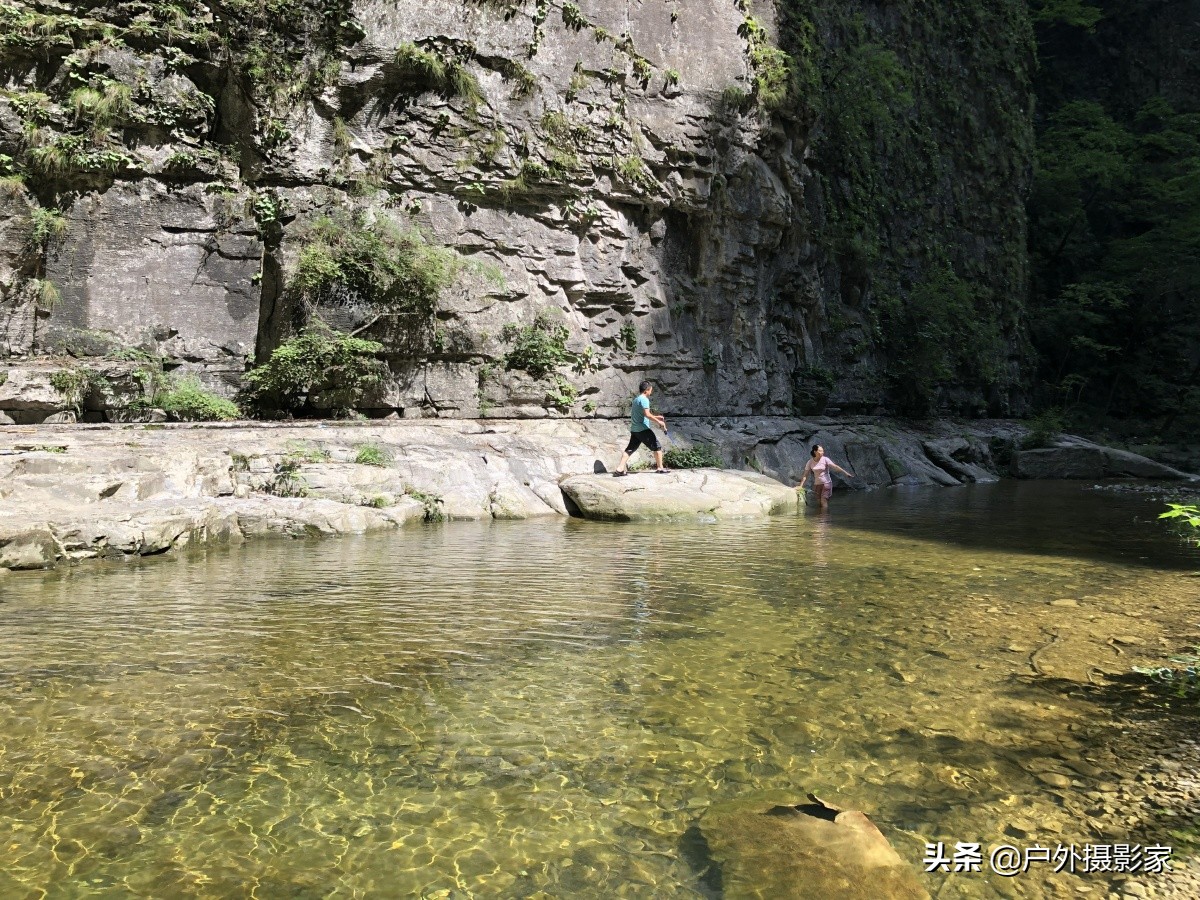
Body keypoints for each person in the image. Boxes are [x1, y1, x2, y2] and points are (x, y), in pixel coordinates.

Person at [613, 381, 668, 475]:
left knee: (630, 449)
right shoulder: (644, 399)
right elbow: (647, 415)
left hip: (635, 429)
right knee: (657, 447)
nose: (651, 392)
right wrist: (659, 422)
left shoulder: (636, 400)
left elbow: (643, 414)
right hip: (643, 429)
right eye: (650, 390)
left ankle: (620, 469)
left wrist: (657, 417)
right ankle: (660, 468)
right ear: (647, 390)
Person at [796, 443, 853, 508]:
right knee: (818, 502)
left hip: (826, 483)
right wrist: (800, 486)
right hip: (817, 484)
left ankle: (824, 517)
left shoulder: (825, 459)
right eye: (820, 451)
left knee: (824, 501)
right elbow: (805, 475)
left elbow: (835, 467)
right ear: (815, 451)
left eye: (823, 451)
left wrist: (845, 473)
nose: (822, 452)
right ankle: (820, 517)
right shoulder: (810, 462)